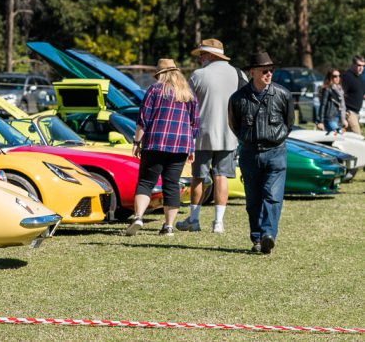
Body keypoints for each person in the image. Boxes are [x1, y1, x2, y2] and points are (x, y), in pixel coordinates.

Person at [228, 52, 293, 254]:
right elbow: (234, 124)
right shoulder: (237, 98)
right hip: (250, 154)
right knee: (253, 201)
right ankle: (256, 239)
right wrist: (248, 138)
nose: (269, 74)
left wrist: (276, 137)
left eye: (271, 70)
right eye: (264, 70)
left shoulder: (283, 94)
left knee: (272, 197)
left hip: (276, 153)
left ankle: (268, 235)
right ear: (252, 72)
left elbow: (289, 123)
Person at [125, 59, 198, 237]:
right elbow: (194, 123)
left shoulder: (154, 90)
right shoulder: (187, 93)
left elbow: (143, 119)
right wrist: (192, 148)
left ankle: (138, 218)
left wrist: (136, 142)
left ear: (160, 74)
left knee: (145, 182)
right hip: (181, 144)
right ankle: (168, 227)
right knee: (171, 185)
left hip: (155, 142)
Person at [176, 39, 242, 234]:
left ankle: (194, 220)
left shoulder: (198, 75)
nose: (200, 58)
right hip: (229, 134)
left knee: (198, 177)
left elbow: (186, 102)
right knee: (221, 177)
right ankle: (218, 223)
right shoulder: (238, 73)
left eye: (202, 54)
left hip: (202, 134)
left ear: (211, 55)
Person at [340, 56, 365, 135]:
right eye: (359, 65)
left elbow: (361, 94)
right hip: (349, 113)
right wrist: (344, 115)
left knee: (346, 137)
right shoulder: (347, 77)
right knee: (358, 137)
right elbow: (341, 96)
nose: (361, 68)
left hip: (356, 113)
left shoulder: (360, 78)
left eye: (363, 66)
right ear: (353, 65)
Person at [316, 69, 346, 133]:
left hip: (338, 118)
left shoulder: (340, 90)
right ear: (330, 77)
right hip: (330, 118)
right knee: (338, 134)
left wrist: (344, 119)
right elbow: (323, 105)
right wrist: (321, 121)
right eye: (335, 76)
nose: (338, 78)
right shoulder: (327, 89)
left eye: (339, 76)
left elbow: (342, 106)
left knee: (338, 138)